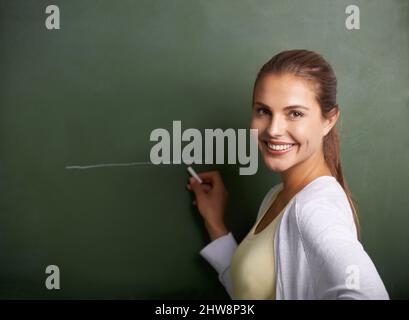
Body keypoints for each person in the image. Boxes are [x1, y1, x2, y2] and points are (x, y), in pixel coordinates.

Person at [186, 49, 389, 300]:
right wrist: (215, 224)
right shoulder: (278, 196)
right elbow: (251, 291)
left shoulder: (315, 208)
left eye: (295, 113)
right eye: (263, 111)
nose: (273, 129)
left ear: (329, 120)